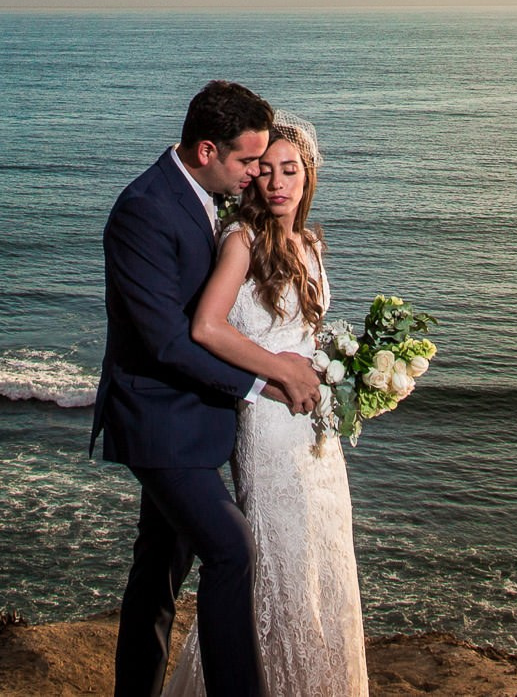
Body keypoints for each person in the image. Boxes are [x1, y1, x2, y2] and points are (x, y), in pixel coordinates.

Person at [96, 82, 323, 697]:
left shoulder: (209, 197)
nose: (256, 174)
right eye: (248, 161)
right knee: (231, 551)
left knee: (157, 573)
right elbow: (167, 340)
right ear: (206, 151)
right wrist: (263, 379)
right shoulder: (143, 208)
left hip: (198, 421)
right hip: (157, 419)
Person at [160, 113, 366, 697]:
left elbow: (307, 338)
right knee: (280, 561)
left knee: (322, 557)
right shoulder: (241, 240)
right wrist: (277, 370)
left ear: (308, 177)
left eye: (290, 170)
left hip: (317, 431)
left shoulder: (311, 243)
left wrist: (350, 376)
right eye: (266, 170)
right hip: (269, 428)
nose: (277, 183)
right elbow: (207, 327)